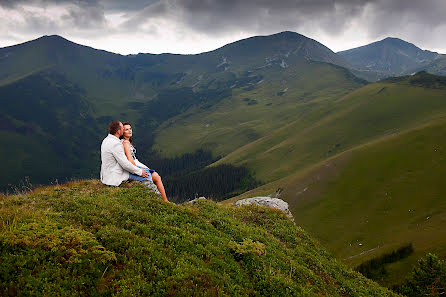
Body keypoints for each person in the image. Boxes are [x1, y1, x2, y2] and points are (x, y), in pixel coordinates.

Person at [120, 122, 169, 203]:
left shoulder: (127, 142)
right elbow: (130, 160)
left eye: (130, 129)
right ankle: (164, 201)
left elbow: (134, 159)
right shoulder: (125, 143)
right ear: (122, 132)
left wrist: (144, 167)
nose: (129, 131)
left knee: (156, 176)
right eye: (126, 130)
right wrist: (138, 170)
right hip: (132, 168)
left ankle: (164, 200)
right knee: (156, 177)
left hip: (134, 166)